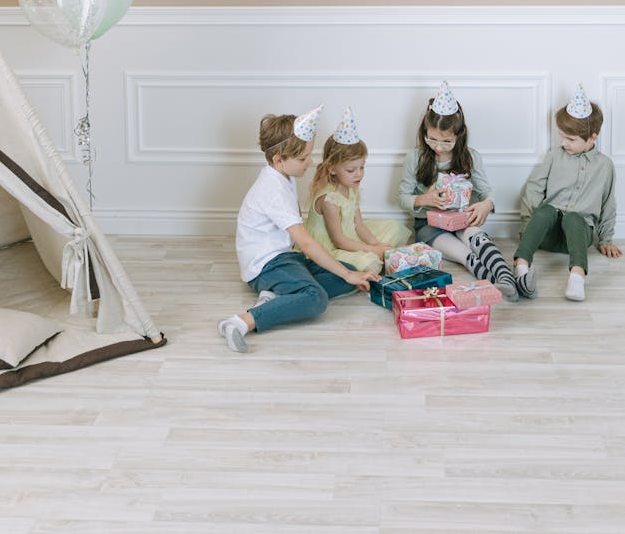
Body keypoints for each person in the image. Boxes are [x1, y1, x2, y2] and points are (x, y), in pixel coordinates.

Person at [218, 104, 378, 354]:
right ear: (278, 160)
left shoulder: (284, 176)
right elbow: (306, 243)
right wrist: (348, 277)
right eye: (303, 158)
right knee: (316, 299)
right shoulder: (272, 191)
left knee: (350, 272)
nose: (310, 162)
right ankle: (241, 321)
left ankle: (279, 294)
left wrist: (349, 275)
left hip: (286, 258)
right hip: (266, 265)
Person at [398, 81, 517, 299]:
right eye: (431, 138)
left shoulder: (471, 157)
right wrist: (426, 199)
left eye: (446, 141)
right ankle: (500, 283)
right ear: (424, 132)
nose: (438, 146)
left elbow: (488, 191)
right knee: (465, 254)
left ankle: (507, 279)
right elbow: (403, 197)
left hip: (463, 219)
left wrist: (486, 204)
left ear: (459, 136)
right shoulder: (415, 157)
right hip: (429, 226)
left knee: (478, 241)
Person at [513, 84, 622, 302]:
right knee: (545, 211)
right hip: (548, 233)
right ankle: (521, 268)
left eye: (570, 139)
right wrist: (528, 225)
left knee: (574, 218)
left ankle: (577, 277)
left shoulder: (605, 166)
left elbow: (608, 202)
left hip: (579, 236)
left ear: (592, 138)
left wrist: (606, 238)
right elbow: (533, 188)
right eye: (562, 137)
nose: (564, 143)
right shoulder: (554, 156)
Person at [305, 106, 411, 274]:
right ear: (332, 168)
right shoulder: (328, 200)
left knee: (395, 228)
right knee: (369, 263)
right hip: (330, 246)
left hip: (350, 236)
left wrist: (376, 245)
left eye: (362, 167)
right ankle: (374, 261)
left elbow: (359, 225)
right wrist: (373, 251)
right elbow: (339, 241)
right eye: (351, 170)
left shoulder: (351, 188)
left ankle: (380, 255)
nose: (359, 174)